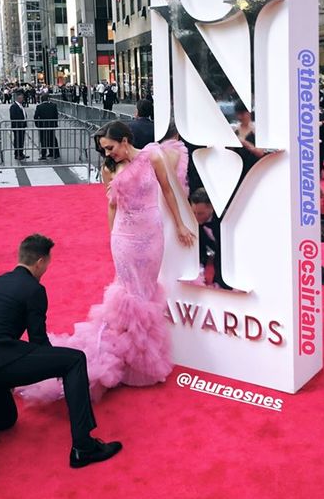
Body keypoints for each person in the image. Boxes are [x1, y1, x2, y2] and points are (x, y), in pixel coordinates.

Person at [22, 121, 195, 404]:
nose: (109, 153)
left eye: (111, 147)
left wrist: (179, 225)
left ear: (125, 140)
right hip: (124, 239)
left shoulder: (152, 156)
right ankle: (132, 362)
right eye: (104, 149)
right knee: (131, 295)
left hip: (152, 237)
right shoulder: (109, 168)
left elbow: (167, 191)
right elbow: (112, 205)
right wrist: (112, 237)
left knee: (147, 292)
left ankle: (139, 358)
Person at [0, 235, 122, 468]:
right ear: (40, 262)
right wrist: (61, 377)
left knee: (4, 418)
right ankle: (83, 447)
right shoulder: (33, 289)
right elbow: (39, 341)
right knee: (73, 361)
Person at [189, 188, 232, 290]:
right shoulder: (192, 221)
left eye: (200, 213)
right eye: (193, 212)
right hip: (214, 263)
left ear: (212, 208)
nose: (196, 217)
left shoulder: (226, 219)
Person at [233, 102, 265, 179]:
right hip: (238, 169)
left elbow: (260, 153)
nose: (239, 117)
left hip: (253, 168)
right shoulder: (235, 129)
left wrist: (244, 143)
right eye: (238, 114)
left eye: (242, 114)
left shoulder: (256, 130)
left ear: (249, 113)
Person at [33, 93, 59, 160]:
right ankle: (54, 153)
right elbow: (56, 116)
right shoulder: (53, 105)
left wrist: (38, 125)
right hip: (51, 125)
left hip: (43, 126)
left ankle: (43, 154)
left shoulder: (39, 107)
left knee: (43, 140)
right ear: (48, 99)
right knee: (52, 139)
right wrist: (55, 124)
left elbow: (36, 117)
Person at [9, 91, 29, 161]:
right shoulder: (14, 107)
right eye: (22, 98)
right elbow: (13, 117)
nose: (23, 99)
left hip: (22, 126)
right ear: (18, 98)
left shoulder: (21, 106)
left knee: (21, 140)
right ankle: (17, 154)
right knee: (17, 140)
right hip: (17, 126)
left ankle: (21, 153)